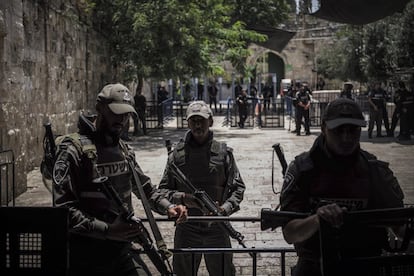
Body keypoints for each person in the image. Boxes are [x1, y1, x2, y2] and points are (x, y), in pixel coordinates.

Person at [52, 83, 187, 276]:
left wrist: (169, 207)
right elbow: (64, 211)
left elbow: (146, 189)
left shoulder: (123, 149)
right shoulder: (73, 151)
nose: (122, 120)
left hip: (122, 250)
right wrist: (108, 230)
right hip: (86, 255)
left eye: (126, 115)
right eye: (116, 113)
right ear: (100, 109)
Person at [279, 98, 405, 276]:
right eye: (338, 130)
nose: (347, 138)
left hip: (366, 266)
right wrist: (317, 220)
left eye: (353, 130)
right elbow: (290, 233)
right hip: (315, 267)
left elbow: (400, 227)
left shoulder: (374, 170)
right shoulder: (303, 169)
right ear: (324, 129)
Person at [156, 100, 246, 276]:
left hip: (218, 227)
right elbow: (162, 191)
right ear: (187, 122)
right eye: (193, 120)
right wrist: (182, 199)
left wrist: (224, 209)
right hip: (187, 228)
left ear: (210, 121)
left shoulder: (223, 153)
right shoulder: (176, 155)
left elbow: (238, 188)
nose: (197, 125)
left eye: (202, 120)